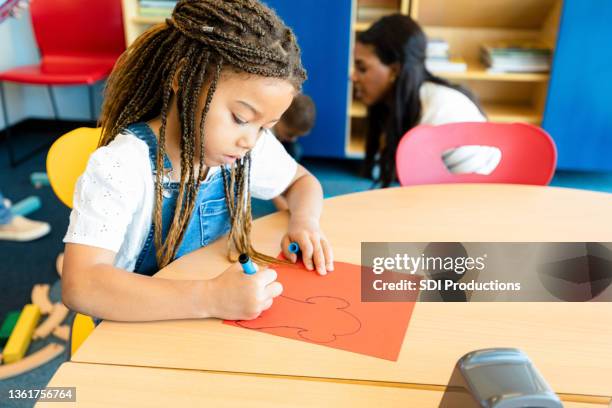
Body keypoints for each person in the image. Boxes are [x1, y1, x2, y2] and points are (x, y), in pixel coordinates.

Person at [61, 0, 334, 323]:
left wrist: (305, 221)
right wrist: (210, 298)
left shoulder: (247, 147)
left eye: (266, 127)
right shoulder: (122, 165)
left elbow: (301, 182)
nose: (250, 140)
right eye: (240, 117)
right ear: (183, 77)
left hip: (211, 313)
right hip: (136, 325)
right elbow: (81, 285)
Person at [352, 14, 487, 187]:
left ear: (394, 71)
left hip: (480, 197)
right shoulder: (409, 101)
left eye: (362, 68)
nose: (353, 76)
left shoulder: (436, 111)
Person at [271, 93, 316, 162]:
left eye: (297, 136)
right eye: (290, 135)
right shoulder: (266, 127)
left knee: (295, 150)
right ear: (279, 117)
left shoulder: (284, 129)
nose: (293, 140)